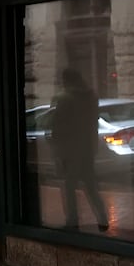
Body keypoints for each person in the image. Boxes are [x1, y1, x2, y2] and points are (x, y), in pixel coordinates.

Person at [50, 69, 108, 232]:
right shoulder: (91, 96)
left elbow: (58, 127)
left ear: (66, 80)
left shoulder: (64, 98)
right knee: (91, 186)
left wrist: (57, 150)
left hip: (69, 150)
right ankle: (103, 218)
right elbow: (93, 124)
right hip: (86, 149)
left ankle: (73, 220)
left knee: (69, 188)